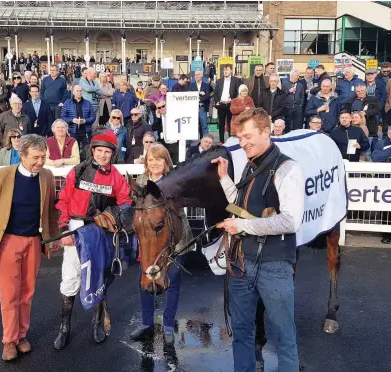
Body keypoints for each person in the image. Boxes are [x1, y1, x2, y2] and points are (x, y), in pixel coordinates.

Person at [211, 108, 304, 372]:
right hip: (242, 264)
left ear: (267, 132)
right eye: (240, 138)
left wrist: (241, 225)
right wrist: (225, 179)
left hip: (274, 266)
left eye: (248, 136)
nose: (243, 143)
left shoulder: (288, 168)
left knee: (284, 336)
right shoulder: (249, 167)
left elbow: (290, 221)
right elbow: (239, 206)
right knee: (241, 332)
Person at [0, 134, 59, 361]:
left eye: (43, 157)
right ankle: (9, 341)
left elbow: (51, 212)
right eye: (35, 157)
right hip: (7, 242)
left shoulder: (47, 177)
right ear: (21, 155)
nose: (40, 162)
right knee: (9, 295)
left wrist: (53, 238)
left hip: (33, 241)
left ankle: (22, 336)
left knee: (27, 293)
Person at [53, 129, 132, 350]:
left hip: (100, 231)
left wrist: (114, 214)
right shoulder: (77, 171)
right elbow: (63, 201)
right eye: (100, 150)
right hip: (76, 228)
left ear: (112, 153)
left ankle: (97, 323)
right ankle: (64, 327)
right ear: (93, 150)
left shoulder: (116, 176)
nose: (103, 155)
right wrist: (63, 229)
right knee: (70, 278)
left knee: (98, 276)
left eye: (107, 152)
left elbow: (126, 203)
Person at [130, 143, 193, 346]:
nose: (155, 163)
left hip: (175, 241)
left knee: (172, 283)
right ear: (146, 162)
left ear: (166, 161)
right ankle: (147, 324)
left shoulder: (175, 181)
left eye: (159, 159)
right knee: (145, 282)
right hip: (150, 243)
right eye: (151, 159)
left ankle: (167, 326)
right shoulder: (141, 181)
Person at [344, 84, 380, 156]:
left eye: (362, 91)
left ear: (366, 90)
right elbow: (346, 110)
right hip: (354, 129)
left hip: (369, 128)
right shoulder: (351, 101)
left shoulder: (372, 99)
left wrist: (366, 113)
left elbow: (377, 109)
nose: (360, 92)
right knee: (354, 150)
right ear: (355, 92)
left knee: (367, 152)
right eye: (358, 91)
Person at [371, 126, 391, 244]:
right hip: (385, 181)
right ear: (389, 134)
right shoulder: (381, 143)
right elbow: (376, 157)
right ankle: (387, 234)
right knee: (386, 208)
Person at [60, 84, 96, 149]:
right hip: (72, 131)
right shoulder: (67, 103)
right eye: (77, 91)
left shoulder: (87, 103)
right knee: (74, 151)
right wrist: (72, 120)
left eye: (81, 91)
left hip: (86, 131)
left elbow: (93, 117)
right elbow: (62, 117)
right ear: (73, 92)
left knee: (87, 151)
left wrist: (85, 121)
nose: (80, 92)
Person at [215, 64, 242, 143]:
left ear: (231, 71)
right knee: (221, 124)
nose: (225, 72)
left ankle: (231, 140)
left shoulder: (236, 80)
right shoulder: (219, 81)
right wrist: (217, 101)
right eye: (224, 70)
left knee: (231, 123)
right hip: (221, 105)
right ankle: (221, 140)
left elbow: (239, 92)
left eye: (227, 70)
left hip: (231, 105)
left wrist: (235, 101)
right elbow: (216, 93)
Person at [189, 69, 211, 137]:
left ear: (201, 75)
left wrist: (199, 99)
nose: (196, 76)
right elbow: (189, 96)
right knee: (192, 125)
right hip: (193, 108)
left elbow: (208, 96)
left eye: (198, 74)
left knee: (204, 125)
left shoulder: (206, 85)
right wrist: (199, 94)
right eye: (195, 75)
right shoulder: (191, 85)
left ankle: (204, 141)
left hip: (202, 107)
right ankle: (189, 143)